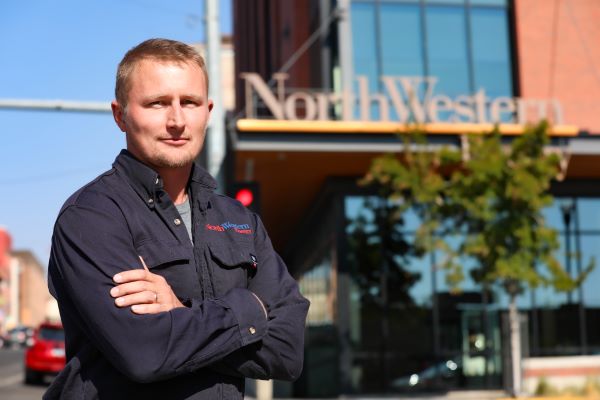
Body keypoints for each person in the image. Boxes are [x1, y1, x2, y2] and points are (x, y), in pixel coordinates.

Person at [45, 38, 310, 400]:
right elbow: (145, 352)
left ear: (208, 111)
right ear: (120, 114)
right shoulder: (91, 217)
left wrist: (180, 311)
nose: (177, 120)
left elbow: (288, 350)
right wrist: (251, 312)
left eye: (190, 102)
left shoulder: (240, 221)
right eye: (157, 103)